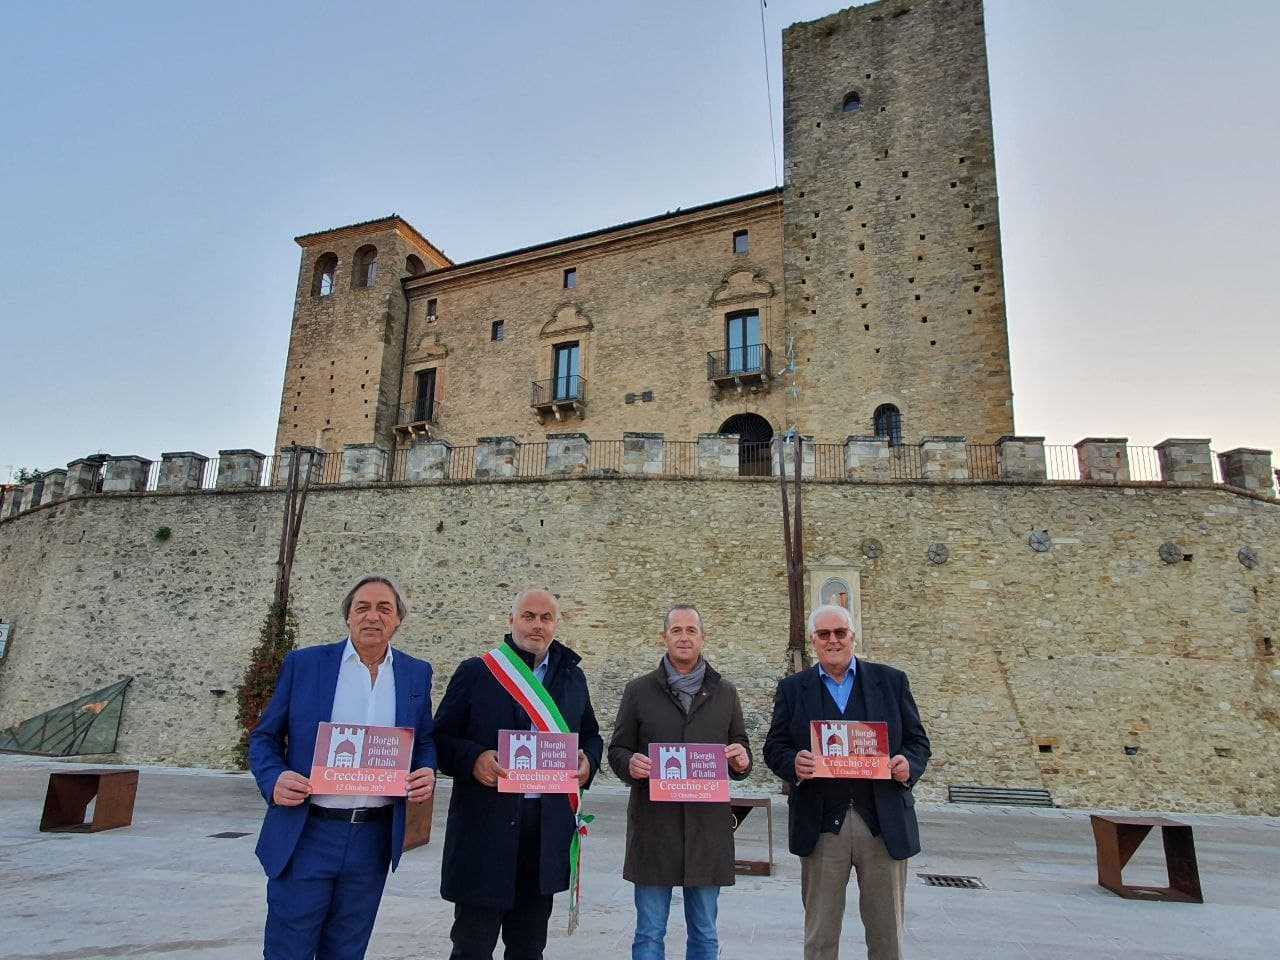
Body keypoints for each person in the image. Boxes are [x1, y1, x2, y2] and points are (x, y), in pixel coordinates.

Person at [249, 575, 437, 960]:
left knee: (348, 951)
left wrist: (426, 770)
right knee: (289, 949)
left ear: (398, 620)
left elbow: (425, 740)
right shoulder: (305, 665)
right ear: (348, 618)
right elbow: (263, 738)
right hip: (307, 832)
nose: (373, 616)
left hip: (373, 839)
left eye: (384, 608)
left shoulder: (416, 673)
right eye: (362, 608)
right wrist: (274, 778)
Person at [434, 588, 604, 960]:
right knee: (471, 947)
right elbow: (441, 739)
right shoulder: (476, 672)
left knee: (529, 948)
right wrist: (474, 758)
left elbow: (591, 737)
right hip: (485, 834)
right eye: (528, 616)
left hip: (543, 836)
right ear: (511, 621)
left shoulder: (572, 679)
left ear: (556, 625)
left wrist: (588, 762)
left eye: (546, 618)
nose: (537, 625)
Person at [763, 604, 930, 960]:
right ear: (813, 641)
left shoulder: (892, 681)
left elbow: (918, 742)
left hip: (883, 824)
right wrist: (794, 761)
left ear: (854, 637)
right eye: (824, 634)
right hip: (822, 825)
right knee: (820, 937)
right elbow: (774, 746)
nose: (833, 640)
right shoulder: (793, 689)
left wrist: (907, 765)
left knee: (887, 939)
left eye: (840, 633)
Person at [607, 604, 752, 960]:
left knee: (704, 933)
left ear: (703, 638)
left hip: (707, 830)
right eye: (677, 630)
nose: (684, 637)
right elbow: (618, 749)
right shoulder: (638, 690)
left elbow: (740, 748)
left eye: (691, 630)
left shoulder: (726, 693)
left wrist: (742, 761)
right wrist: (631, 763)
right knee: (649, 933)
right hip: (655, 828)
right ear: (664, 637)